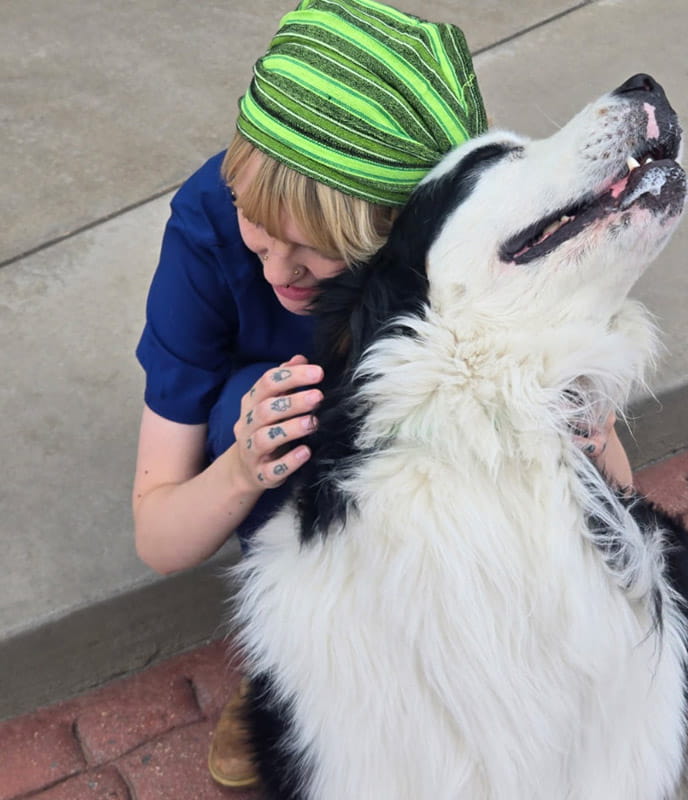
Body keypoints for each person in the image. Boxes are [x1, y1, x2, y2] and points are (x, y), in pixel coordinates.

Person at [132, 0, 632, 788]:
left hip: (464, 550)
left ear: (400, 238)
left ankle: (494, 658)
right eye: (259, 238)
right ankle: (298, 668)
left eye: (316, 253)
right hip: (321, 536)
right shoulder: (207, 227)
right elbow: (157, 534)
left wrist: (587, 424)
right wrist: (241, 466)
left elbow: (621, 502)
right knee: (264, 408)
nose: (276, 273)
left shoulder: (471, 258)